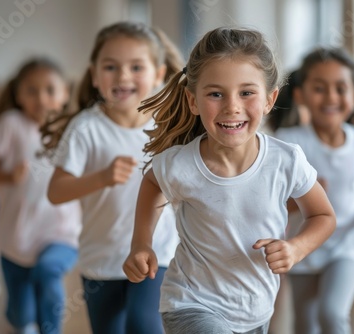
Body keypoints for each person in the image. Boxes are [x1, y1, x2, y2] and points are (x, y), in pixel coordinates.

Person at [122, 27, 336, 334]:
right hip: (190, 303)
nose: (231, 106)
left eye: (247, 92)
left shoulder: (286, 160)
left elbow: (323, 215)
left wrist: (296, 248)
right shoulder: (181, 163)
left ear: (269, 99)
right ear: (193, 100)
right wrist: (141, 243)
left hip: (255, 311)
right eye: (215, 94)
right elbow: (153, 183)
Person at [42, 22, 182, 334]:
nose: (122, 76)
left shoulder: (170, 124)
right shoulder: (85, 128)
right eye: (110, 67)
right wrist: (102, 177)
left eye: (136, 67)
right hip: (101, 259)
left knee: (143, 326)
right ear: (94, 74)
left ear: (159, 74)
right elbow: (56, 191)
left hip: (157, 253)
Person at [275, 47, 354, 334]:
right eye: (319, 88)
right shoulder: (289, 145)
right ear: (300, 94)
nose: (331, 97)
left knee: (332, 313)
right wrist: (304, 200)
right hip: (303, 248)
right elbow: (275, 202)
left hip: (349, 244)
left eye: (341, 88)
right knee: (305, 323)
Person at [0, 58, 81, 334]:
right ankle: (20, 320)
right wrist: (8, 176)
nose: (41, 98)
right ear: (18, 95)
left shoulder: (72, 128)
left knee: (48, 272)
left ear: (64, 94)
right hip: (16, 238)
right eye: (31, 91)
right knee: (22, 314)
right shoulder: (11, 123)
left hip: (61, 234)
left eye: (49, 90)